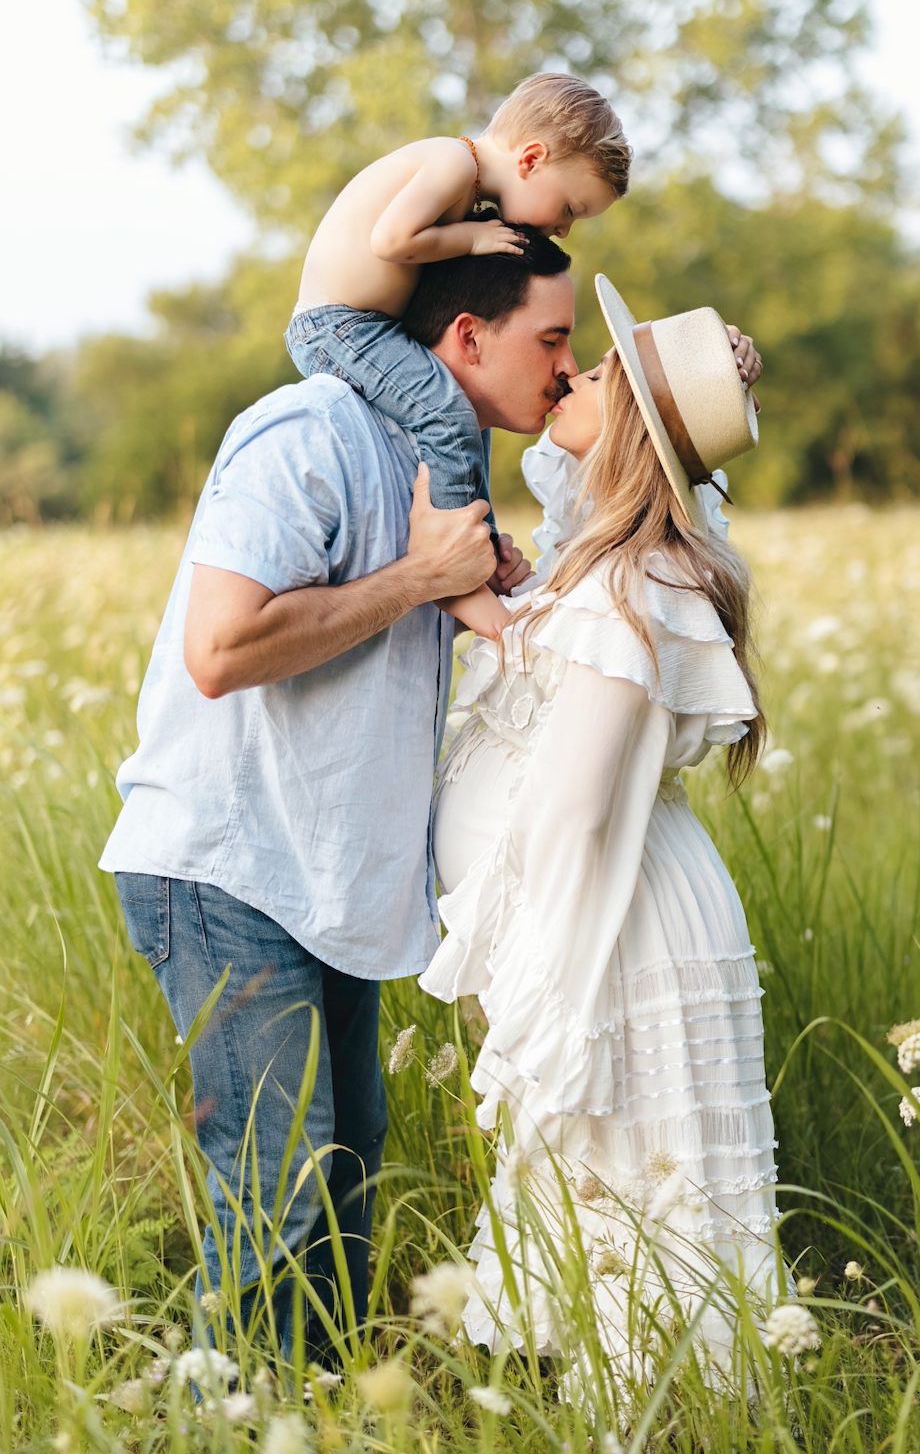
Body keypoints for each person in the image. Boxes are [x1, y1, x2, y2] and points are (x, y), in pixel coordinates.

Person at [98, 228, 578, 1360]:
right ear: (465, 335)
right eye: (550, 339)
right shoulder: (306, 429)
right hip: (229, 865)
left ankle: (317, 1435)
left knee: (346, 1159)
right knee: (284, 1182)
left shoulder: (445, 466)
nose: (564, 366)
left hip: (330, 878)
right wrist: (420, 579)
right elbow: (222, 651)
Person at [421, 275, 779, 1373]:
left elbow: (576, 812)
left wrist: (531, 988)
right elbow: (553, 689)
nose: (575, 368)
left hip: (616, 924)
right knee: (601, 1201)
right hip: (612, 906)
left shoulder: (643, 581)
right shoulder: (605, 570)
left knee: (634, 1196)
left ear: (629, 425)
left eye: (607, 369)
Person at [285, 74, 631, 639]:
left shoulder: (466, 185)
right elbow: (392, 241)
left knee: (465, 416)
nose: (564, 227)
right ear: (531, 159)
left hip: (368, 323)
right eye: (569, 206)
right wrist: (472, 238)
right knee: (447, 413)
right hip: (337, 326)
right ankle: (459, 578)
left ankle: (480, 552)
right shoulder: (453, 162)